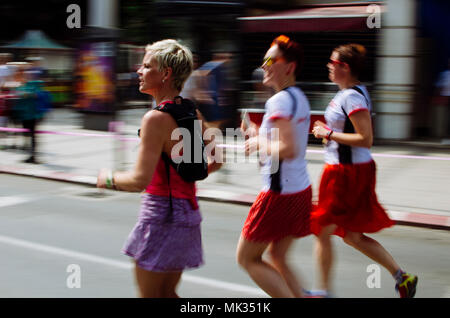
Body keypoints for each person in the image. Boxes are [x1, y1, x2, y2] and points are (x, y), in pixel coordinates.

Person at [97, 39, 222, 298]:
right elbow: (217, 159)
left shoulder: (155, 119)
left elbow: (139, 180)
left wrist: (107, 178)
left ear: (165, 74)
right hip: (187, 214)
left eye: (146, 66)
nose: (138, 71)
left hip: (161, 215)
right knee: (168, 294)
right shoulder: (191, 113)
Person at [311, 43, 418, 298]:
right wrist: (328, 135)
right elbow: (350, 133)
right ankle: (402, 278)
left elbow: (365, 137)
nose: (328, 66)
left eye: (332, 62)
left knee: (322, 229)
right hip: (348, 170)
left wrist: (328, 133)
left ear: (344, 68)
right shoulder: (351, 93)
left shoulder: (352, 96)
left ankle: (322, 293)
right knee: (352, 236)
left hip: (346, 174)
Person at [236, 35, 312, 298]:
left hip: (279, 195)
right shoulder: (299, 97)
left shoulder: (278, 101)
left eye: (271, 60)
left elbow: (288, 149)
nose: (264, 65)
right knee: (277, 255)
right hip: (301, 191)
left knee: (246, 258)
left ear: (289, 67)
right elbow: (286, 142)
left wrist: (258, 141)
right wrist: (260, 135)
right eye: (264, 59)